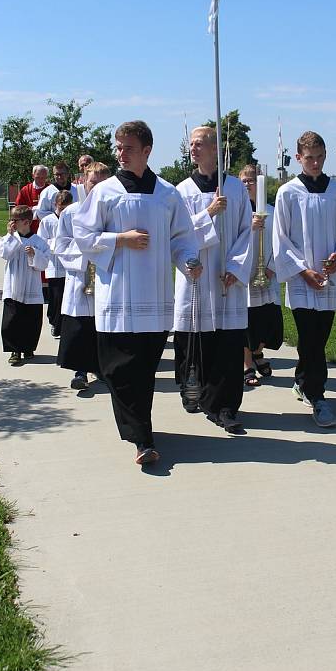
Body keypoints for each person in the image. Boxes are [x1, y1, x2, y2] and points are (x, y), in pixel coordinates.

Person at [73, 121, 200, 465]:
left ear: (147, 151)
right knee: (118, 369)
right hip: (116, 295)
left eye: (127, 148)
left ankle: (142, 432)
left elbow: (183, 237)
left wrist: (190, 259)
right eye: (117, 147)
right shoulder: (105, 191)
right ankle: (142, 436)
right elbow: (84, 235)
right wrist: (120, 239)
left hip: (155, 297)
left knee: (143, 370)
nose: (120, 154)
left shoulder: (167, 194)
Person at [273, 131, 336, 427]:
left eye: (320, 157)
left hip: (328, 278)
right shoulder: (288, 192)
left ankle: (301, 379)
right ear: (298, 158)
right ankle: (318, 398)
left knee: (319, 338)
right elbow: (280, 238)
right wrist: (302, 271)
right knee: (310, 338)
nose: (316, 163)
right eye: (310, 158)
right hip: (300, 279)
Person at [173, 126, 253, 431]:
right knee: (200, 343)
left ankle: (226, 406)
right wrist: (207, 212)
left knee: (229, 345)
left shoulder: (234, 188)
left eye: (199, 144)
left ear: (215, 149)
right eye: (191, 144)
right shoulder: (183, 191)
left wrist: (236, 267)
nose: (193, 149)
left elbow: (247, 231)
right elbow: (178, 235)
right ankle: (200, 394)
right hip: (198, 276)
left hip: (226, 278)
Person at [55, 162, 110, 390]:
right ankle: (80, 372)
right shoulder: (70, 212)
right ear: (83, 181)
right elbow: (61, 244)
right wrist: (86, 250)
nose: (96, 187)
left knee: (102, 327)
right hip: (80, 275)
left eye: (101, 183)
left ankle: (102, 369)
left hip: (105, 276)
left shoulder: (112, 210)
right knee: (80, 326)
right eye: (92, 182)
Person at [239, 165, 283, 387]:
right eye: (244, 181)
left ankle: (258, 353)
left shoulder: (272, 211)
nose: (248, 184)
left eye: (252, 180)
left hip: (267, 273)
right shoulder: (238, 212)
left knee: (266, 319)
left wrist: (271, 268)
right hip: (244, 275)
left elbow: (280, 241)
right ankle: (246, 363)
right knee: (247, 320)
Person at [0, 205, 50, 366]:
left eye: (15, 220)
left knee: (31, 320)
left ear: (26, 222)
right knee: (12, 320)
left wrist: (35, 254)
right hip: (13, 285)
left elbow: (44, 264)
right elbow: (4, 253)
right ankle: (14, 350)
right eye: (11, 219)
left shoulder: (39, 242)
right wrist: (10, 235)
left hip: (32, 286)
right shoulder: (10, 238)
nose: (12, 223)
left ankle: (28, 348)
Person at [37, 190, 73, 338]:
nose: (63, 210)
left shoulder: (74, 219)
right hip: (54, 265)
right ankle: (54, 322)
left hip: (70, 266)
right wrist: (56, 244)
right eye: (60, 207)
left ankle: (64, 326)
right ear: (55, 205)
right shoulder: (47, 221)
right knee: (55, 297)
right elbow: (41, 241)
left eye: (66, 207)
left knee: (68, 297)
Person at [15, 165, 49, 235]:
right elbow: (18, 209)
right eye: (37, 177)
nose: (40, 180)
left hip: (47, 229)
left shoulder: (50, 189)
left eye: (43, 178)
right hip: (28, 229)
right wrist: (34, 210)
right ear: (33, 176)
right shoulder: (25, 190)